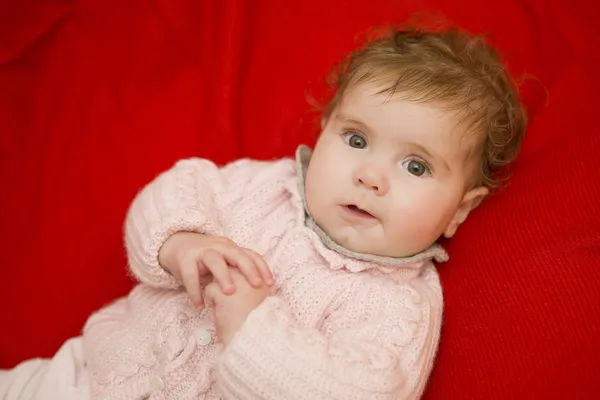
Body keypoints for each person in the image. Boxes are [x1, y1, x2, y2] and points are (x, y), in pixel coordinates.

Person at [0, 25, 526, 400]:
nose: (370, 176)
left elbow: (364, 391)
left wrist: (253, 327)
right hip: (81, 377)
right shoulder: (264, 185)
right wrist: (182, 241)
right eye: (357, 138)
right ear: (323, 132)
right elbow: (175, 189)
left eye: (415, 166)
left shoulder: (396, 306)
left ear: (460, 211)